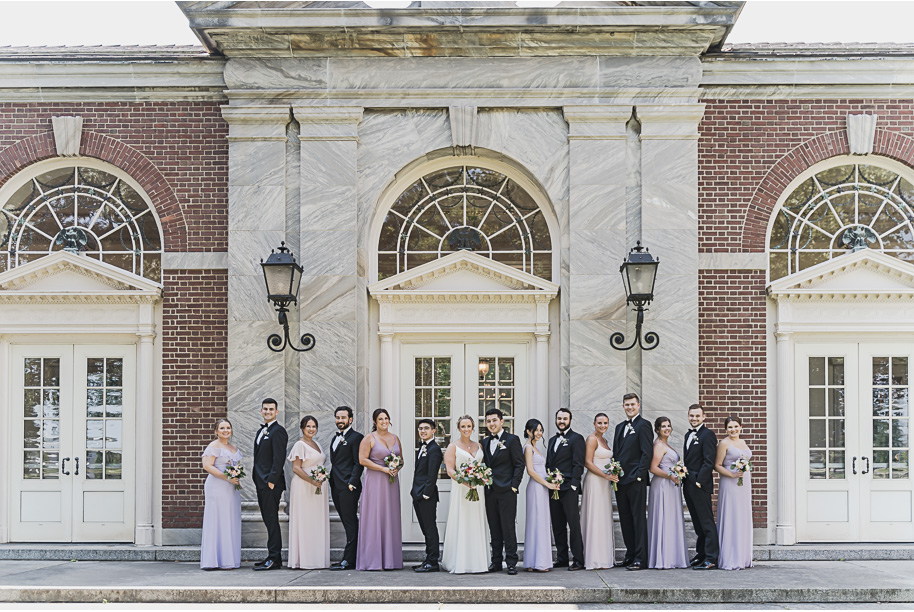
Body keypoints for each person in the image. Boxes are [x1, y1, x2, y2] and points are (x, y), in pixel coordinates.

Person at [441, 415, 491, 574]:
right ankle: (459, 561)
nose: (466, 429)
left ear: (473, 427)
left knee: (475, 522)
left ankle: (478, 562)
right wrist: (464, 481)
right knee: (462, 521)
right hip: (461, 488)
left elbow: (482, 466)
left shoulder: (479, 446)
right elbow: (449, 470)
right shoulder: (452, 446)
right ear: (458, 428)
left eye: (469, 426)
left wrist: (479, 478)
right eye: (463, 427)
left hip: (477, 488)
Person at [355, 408, 403, 571]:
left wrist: (397, 467)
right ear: (375, 422)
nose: (384, 421)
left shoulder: (395, 438)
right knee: (375, 516)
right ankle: (372, 560)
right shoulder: (369, 438)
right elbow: (362, 460)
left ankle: (391, 560)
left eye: (386, 418)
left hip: (391, 482)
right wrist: (382, 469)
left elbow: (401, 459)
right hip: (375, 480)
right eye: (381, 419)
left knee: (390, 516)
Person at [612, 392, 653, 571]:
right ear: (623, 406)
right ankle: (630, 555)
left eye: (632, 404)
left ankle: (640, 558)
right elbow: (616, 453)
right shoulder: (619, 427)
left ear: (638, 405)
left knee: (638, 519)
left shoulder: (644, 425)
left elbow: (647, 453)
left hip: (636, 480)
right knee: (625, 519)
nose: (629, 407)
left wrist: (639, 475)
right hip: (620, 481)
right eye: (626, 405)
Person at [482, 408, 525, 575]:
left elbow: (519, 464)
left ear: (501, 421)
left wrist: (514, 485)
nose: (491, 424)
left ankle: (512, 562)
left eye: (494, 420)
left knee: (508, 527)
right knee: (494, 528)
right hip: (490, 490)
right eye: (488, 421)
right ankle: (496, 561)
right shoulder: (485, 442)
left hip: (507, 490)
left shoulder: (512, 440)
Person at [545, 408, 586, 571]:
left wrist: (574, 485)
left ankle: (578, 559)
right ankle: (562, 558)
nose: (562, 421)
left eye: (565, 418)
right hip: (553, 487)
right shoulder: (552, 440)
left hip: (569, 488)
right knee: (557, 524)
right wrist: (549, 481)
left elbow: (578, 464)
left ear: (570, 420)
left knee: (573, 524)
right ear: (556, 420)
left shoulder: (576, 439)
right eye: (559, 418)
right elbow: (549, 463)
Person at [287, 415, 330, 570]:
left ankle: (317, 558)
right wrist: (312, 481)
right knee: (305, 521)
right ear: (302, 428)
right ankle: (304, 560)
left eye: (314, 426)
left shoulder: (317, 444)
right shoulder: (300, 445)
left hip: (318, 487)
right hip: (304, 487)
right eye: (308, 426)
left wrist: (319, 479)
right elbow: (296, 468)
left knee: (316, 521)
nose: (311, 429)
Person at [647, 416, 689, 569]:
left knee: (671, 518)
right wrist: (671, 476)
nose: (667, 428)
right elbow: (653, 468)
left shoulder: (666, 444)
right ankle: (663, 558)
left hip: (671, 485)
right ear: (657, 429)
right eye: (663, 426)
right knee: (663, 518)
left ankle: (672, 556)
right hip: (663, 485)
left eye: (669, 426)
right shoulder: (658, 445)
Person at [200, 418, 242, 570]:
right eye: (222, 428)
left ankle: (228, 559)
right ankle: (213, 560)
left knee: (230, 519)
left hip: (231, 489)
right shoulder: (213, 446)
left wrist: (235, 478)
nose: (226, 430)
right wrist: (227, 477)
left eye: (228, 428)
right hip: (217, 486)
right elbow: (207, 466)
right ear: (216, 431)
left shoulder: (233, 447)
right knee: (218, 519)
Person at [252, 398, 288, 571]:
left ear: (276, 412)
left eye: (271, 409)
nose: (267, 411)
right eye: (265, 409)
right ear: (261, 411)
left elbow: (279, 458)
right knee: (268, 520)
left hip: (270, 484)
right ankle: (272, 556)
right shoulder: (262, 431)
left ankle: (274, 558)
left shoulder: (278, 431)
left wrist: (271, 481)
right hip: (261, 482)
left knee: (272, 520)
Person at [683, 403, 720, 570]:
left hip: (700, 485)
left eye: (697, 416)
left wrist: (699, 481)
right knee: (697, 522)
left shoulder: (708, 435)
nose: (694, 418)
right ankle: (701, 554)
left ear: (703, 417)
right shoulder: (687, 435)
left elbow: (709, 461)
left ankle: (711, 557)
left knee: (706, 522)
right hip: (688, 484)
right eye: (691, 415)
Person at [715, 415, 754, 570]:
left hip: (744, 484)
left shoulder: (743, 442)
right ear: (726, 429)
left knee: (742, 516)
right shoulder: (724, 443)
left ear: (741, 427)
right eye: (730, 427)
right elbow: (717, 465)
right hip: (730, 483)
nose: (733, 430)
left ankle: (743, 557)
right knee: (732, 515)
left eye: (736, 426)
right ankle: (730, 557)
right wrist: (731, 474)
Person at [581, 413, 618, 570]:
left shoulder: (605, 440)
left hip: (605, 483)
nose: (603, 425)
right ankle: (594, 558)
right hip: (595, 481)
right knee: (595, 516)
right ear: (594, 424)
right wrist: (605, 475)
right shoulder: (591, 439)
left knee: (603, 517)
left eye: (605, 423)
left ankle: (604, 557)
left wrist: (612, 474)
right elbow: (588, 463)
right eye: (600, 423)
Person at [329, 406, 364, 571]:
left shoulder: (357, 438)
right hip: (336, 485)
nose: (340, 421)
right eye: (337, 417)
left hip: (349, 487)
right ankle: (353, 557)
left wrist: (352, 482)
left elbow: (359, 462)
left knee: (350, 522)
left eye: (343, 418)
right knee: (346, 521)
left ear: (351, 419)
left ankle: (349, 560)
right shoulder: (335, 438)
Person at [522, 419, 558, 572]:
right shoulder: (528, 447)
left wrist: (552, 479)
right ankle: (536, 562)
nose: (539, 433)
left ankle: (535, 561)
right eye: (536, 430)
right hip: (536, 487)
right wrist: (548, 484)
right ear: (529, 431)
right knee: (536, 522)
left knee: (541, 522)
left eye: (541, 430)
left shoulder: (537, 447)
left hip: (542, 487)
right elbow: (530, 471)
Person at [411, 419, 444, 573]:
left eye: (426, 428)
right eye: (420, 428)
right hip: (417, 494)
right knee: (425, 529)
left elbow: (432, 475)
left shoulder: (434, 449)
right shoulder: (422, 447)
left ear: (433, 431)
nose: (422, 431)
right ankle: (428, 559)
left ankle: (433, 561)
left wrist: (426, 494)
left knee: (430, 528)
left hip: (426, 496)